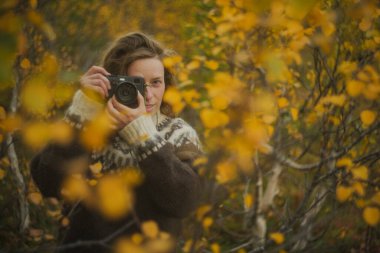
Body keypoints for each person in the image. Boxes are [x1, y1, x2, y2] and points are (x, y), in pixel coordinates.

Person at [30, 32, 202, 253]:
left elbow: (186, 202)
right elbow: (48, 183)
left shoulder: (178, 133)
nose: (148, 95)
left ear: (167, 85)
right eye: (137, 84)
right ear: (116, 83)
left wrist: (144, 136)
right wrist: (80, 114)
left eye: (156, 82)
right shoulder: (90, 129)